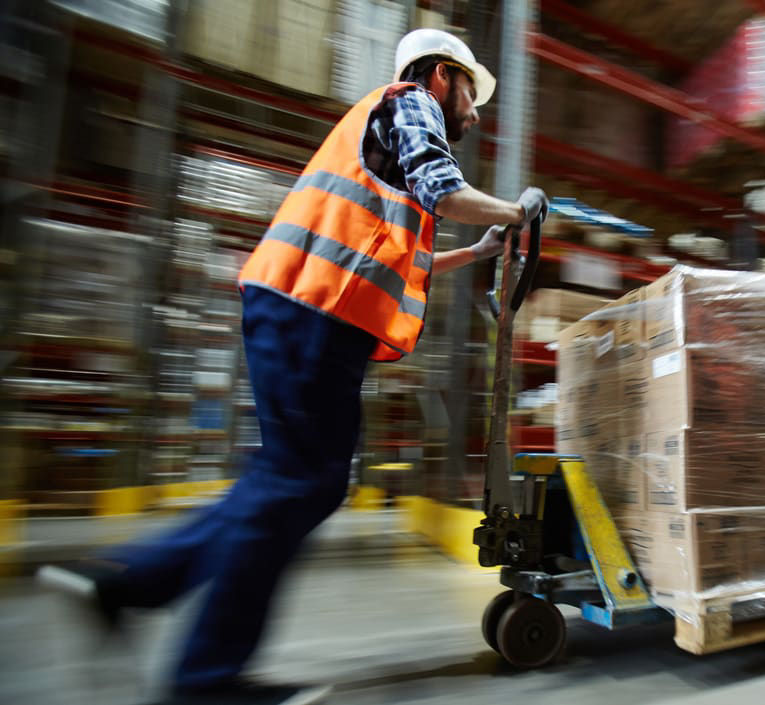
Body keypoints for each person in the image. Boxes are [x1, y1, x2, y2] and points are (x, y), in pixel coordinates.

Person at [37, 28, 547, 705]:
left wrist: (480, 250)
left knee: (294, 479)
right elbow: (441, 187)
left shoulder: (381, 139)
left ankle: (127, 583)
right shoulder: (410, 101)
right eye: (470, 93)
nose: (475, 113)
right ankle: (205, 678)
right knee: (301, 481)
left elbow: (403, 255)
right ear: (440, 76)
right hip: (314, 313)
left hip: (301, 310)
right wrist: (518, 211)